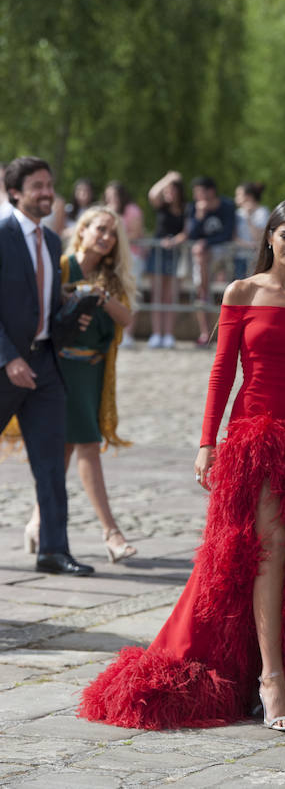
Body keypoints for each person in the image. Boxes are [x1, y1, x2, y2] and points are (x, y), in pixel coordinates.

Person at [79, 198, 285, 732]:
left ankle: (264, 672)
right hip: (255, 435)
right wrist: (206, 442)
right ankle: (271, 680)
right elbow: (222, 372)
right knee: (270, 545)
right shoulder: (242, 292)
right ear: (270, 237)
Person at [24, 206, 137, 563]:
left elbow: (127, 318)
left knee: (67, 450)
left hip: (92, 373)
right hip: (61, 367)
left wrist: (101, 296)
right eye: (99, 229)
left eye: (112, 232)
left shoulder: (110, 278)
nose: (106, 237)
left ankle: (37, 521)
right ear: (83, 230)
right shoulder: (60, 266)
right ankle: (111, 533)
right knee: (86, 445)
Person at [0, 156, 94, 576]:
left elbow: (44, 307)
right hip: (5, 365)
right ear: (15, 191)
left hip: (45, 366)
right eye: (37, 185)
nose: (46, 192)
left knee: (52, 463)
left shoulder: (54, 242)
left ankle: (54, 550)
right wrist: (8, 358)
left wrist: (72, 316)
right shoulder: (1, 234)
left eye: (49, 184)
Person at [186, 177, 236, 347]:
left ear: (210, 191)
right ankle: (205, 333)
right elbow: (191, 235)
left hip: (224, 254)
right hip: (201, 256)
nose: (196, 196)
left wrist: (207, 243)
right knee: (201, 292)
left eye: (199, 192)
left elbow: (227, 233)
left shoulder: (227, 206)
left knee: (231, 294)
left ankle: (229, 335)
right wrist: (199, 217)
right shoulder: (194, 208)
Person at [146, 171, 186, 349]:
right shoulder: (161, 207)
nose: (168, 193)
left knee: (169, 296)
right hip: (158, 252)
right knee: (156, 295)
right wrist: (169, 177)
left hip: (174, 254)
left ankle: (168, 334)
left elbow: (187, 231)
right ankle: (156, 333)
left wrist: (174, 241)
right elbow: (153, 194)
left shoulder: (186, 209)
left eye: (172, 190)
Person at [104, 180, 145, 348]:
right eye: (108, 195)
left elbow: (136, 233)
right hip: (111, 258)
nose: (110, 198)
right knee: (112, 294)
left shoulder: (132, 210)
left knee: (130, 294)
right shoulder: (106, 210)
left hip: (131, 257)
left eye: (113, 195)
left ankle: (128, 333)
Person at [233, 181, 270, 279]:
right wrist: (248, 245)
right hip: (240, 257)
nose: (236, 198)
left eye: (239, 194)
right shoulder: (238, 213)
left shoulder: (262, 212)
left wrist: (249, 217)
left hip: (256, 258)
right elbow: (234, 236)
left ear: (248, 196)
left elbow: (259, 236)